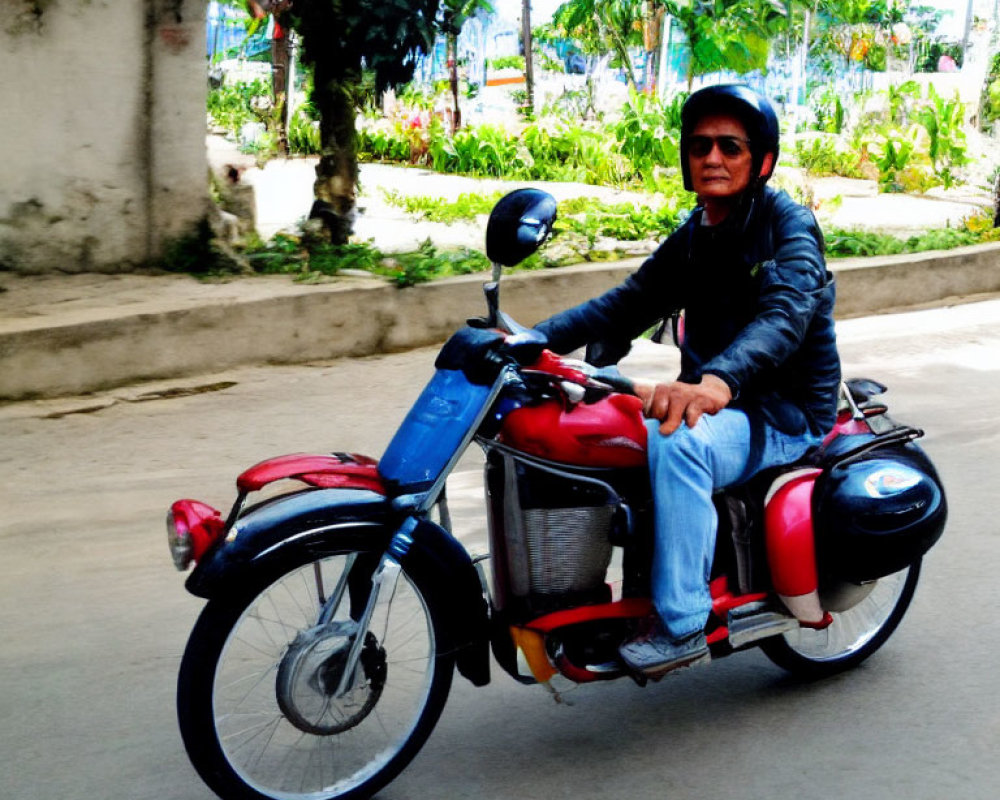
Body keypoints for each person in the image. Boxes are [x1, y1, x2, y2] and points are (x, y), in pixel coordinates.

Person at [534, 84, 841, 678]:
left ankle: (681, 624)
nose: (713, 158)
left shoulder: (789, 227)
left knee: (680, 439)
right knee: (603, 419)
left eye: (731, 146)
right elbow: (627, 303)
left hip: (781, 412)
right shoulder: (698, 234)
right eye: (700, 145)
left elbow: (784, 317)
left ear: (762, 161)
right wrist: (530, 340)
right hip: (725, 400)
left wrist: (719, 381)